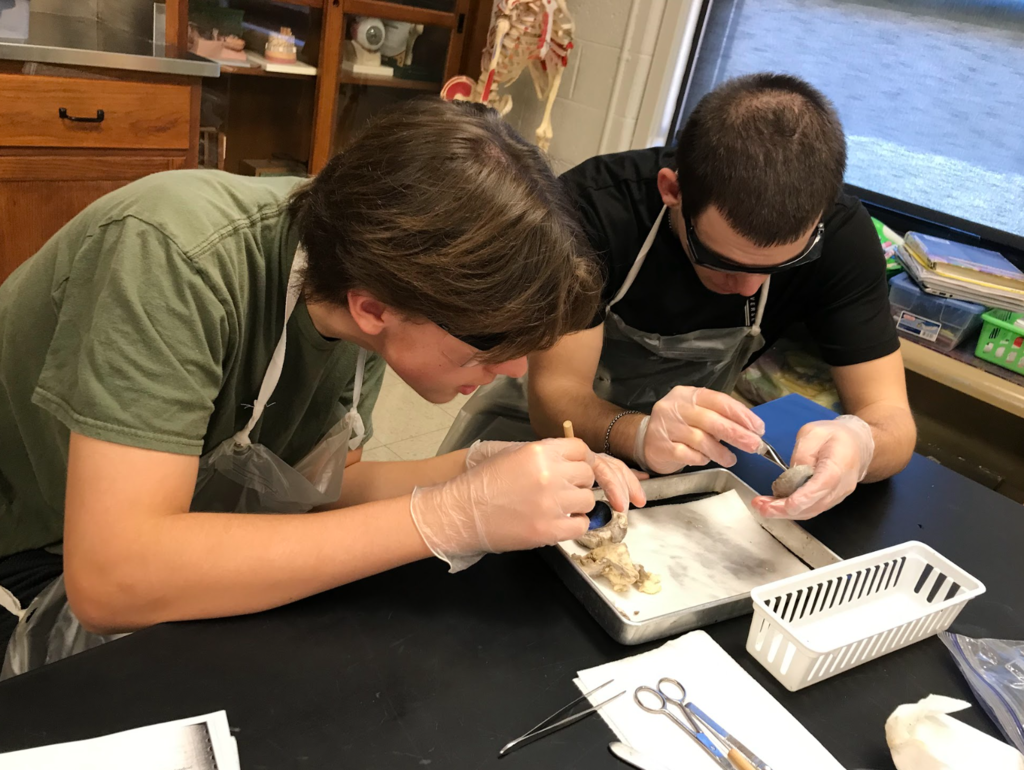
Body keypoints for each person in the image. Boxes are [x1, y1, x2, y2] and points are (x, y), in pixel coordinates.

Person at [0, 100, 645, 678]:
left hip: (162, 528)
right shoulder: (176, 255)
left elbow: (318, 491)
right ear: (373, 309)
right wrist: (445, 518)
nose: (511, 372)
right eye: (491, 346)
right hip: (31, 546)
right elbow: (114, 579)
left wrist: (473, 473)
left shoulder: (368, 287)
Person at [441, 73, 916, 521]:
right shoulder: (590, 211)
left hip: (684, 459)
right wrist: (641, 433)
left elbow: (891, 418)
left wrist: (863, 446)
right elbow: (556, 398)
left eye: (777, 267)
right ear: (672, 190)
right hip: (541, 439)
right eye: (723, 261)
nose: (749, 287)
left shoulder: (842, 238)